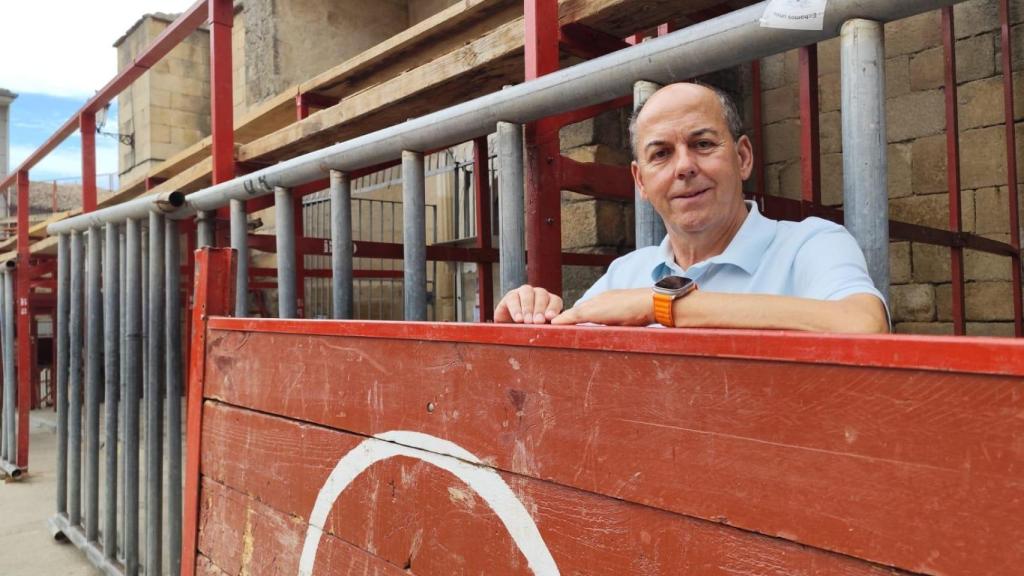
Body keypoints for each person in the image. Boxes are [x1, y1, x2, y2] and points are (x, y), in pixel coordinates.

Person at [494, 82, 888, 333]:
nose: (684, 167)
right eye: (661, 154)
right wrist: (531, 315)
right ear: (641, 181)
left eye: (702, 144)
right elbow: (565, 344)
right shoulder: (626, 272)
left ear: (743, 157)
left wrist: (658, 307)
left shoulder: (810, 244)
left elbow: (864, 325)